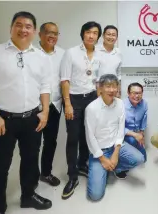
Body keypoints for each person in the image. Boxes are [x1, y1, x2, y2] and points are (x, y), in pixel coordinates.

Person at [0, 11, 52, 214]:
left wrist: (44, 112)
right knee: (0, 167)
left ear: (34, 31)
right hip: (3, 121)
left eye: (28, 26)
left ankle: (28, 196)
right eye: (19, 25)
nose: (23, 29)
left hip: (32, 119)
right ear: (11, 28)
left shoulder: (41, 56)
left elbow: (45, 86)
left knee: (30, 161)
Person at [85, 74, 145, 201]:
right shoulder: (92, 108)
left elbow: (120, 129)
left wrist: (116, 153)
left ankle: (115, 167)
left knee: (140, 158)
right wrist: (103, 159)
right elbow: (90, 137)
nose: (112, 90)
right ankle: (105, 168)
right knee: (95, 195)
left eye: (114, 86)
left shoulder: (120, 104)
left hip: (116, 146)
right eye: (108, 86)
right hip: (99, 151)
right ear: (100, 88)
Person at [60, 21, 101, 200]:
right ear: (83, 34)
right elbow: (65, 80)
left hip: (92, 98)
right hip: (74, 99)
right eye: (88, 32)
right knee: (73, 137)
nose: (91, 36)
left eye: (95, 33)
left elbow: (98, 80)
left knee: (88, 134)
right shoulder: (71, 53)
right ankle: (72, 176)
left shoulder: (99, 54)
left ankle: (82, 164)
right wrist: (67, 104)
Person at [37, 22, 65, 187]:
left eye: (55, 33)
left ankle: (45, 173)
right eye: (48, 32)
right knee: (32, 145)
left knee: (50, 141)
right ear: (40, 34)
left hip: (55, 104)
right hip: (36, 107)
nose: (52, 36)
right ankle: (31, 178)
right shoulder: (31, 53)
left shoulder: (63, 54)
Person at [120, 82, 148, 179]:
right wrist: (134, 135)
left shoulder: (144, 104)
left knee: (144, 159)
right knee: (132, 141)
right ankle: (118, 168)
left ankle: (128, 159)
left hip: (136, 134)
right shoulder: (121, 105)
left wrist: (141, 134)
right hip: (122, 135)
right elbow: (117, 127)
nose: (137, 96)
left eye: (139, 93)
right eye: (134, 93)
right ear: (128, 93)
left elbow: (143, 123)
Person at [96, 25, 122, 97]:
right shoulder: (95, 50)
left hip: (112, 90)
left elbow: (119, 74)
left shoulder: (119, 52)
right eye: (108, 34)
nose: (111, 37)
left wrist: (118, 91)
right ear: (103, 35)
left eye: (113, 35)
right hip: (96, 90)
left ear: (116, 37)